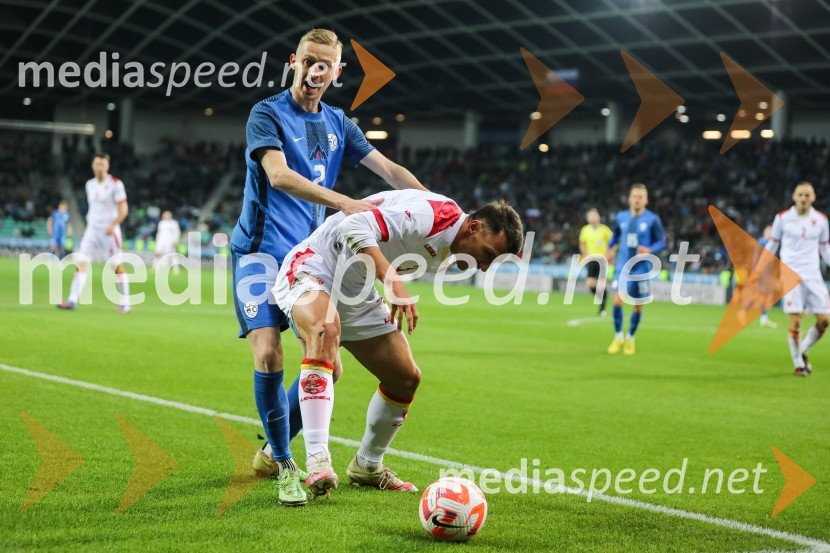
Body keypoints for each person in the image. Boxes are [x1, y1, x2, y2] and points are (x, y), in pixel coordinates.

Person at [231, 28, 427, 506]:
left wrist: (440, 208)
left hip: (308, 262)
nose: (315, 71)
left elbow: (392, 173)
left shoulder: (341, 123)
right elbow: (277, 176)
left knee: (330, 367)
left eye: (326, 65)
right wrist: (346, 204)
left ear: (337, 72)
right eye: (308, 61)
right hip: (258, 253)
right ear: (293, 61)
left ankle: (269, 451)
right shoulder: (267, 113)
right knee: (269, 356)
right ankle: (284, 463)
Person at [272, 189, 524, 497]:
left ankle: (367, 464)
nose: (483, 267)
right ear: (473, 227)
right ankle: (317, 460)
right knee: (325, 330)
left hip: (358, 291)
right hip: (317, 267)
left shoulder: (452, 244)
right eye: (486, 255)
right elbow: (351, 226)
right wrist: (392, 280)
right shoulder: (432, 216)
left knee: (405, 377)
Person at [763, 182, 830, 376]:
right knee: (796, 320)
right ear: (794, 196)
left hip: (813, 275)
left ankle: (802, 350)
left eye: (807, 195)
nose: (803, 198)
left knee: (825, 320)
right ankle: (799, 365)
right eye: (800, 195)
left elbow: (825, 249)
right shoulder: (783, 219)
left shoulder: (821, 220)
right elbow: (773, 244)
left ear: (813, 197)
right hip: (790, 274)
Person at [58, 153, 131, 313]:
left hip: (109, 231)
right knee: (80, 262)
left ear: (107, 166)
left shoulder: (115, 184)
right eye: (97, 164)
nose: (100, 167)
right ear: (93, 165)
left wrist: (113, 225)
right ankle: (72, 300)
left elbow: (123, 209)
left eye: (102, 164)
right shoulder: (89, 184)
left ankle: (126, 303)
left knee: (116, 265)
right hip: (92, 230)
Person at [606, 184, 665, 355]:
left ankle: (630, 338)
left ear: (646, 200)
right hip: (622, 267)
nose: (637, 199)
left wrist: (650, 249)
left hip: (642, 269)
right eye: (634, 196)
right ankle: (618, 337)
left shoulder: (652, 219)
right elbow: (615, 236)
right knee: (617, 300)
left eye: (641, 196)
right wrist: (610, 249)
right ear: (629, 199)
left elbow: (662, 241)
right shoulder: (621, 217)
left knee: (637, 306)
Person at [578, 208, 612, 316]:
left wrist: (610, 253)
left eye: (594, 215)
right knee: (590, 284)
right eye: (590, 216)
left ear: (598, 217)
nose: (592, 217)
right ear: (588, 218)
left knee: (602, 284)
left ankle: (602, 308)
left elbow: (613, 242)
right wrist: (585, 252)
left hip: (603, 259)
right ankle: (602, 299)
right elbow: (582, 243)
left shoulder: (605, 230)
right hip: (591, 259)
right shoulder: (585, 229)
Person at [757, 225, 778, 328]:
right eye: (769, 231)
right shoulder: (763, 242)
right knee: (764, 295)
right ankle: (763, 318)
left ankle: (763, 318)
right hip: (763, 273)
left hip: (767, 272)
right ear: (765, 232)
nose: (771, 233)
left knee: (766, 295)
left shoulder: (767, 243)